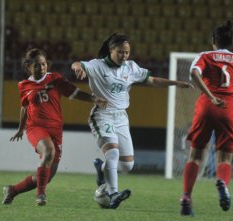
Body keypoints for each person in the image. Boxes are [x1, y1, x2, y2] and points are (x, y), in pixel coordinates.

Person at [71, 33, 192, 209]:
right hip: (102, 115)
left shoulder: (130, 68)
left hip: (121, 118)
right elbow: (77, 63)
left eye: (127, 52)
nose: (124, 56)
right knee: (112, 153)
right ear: (111, 50)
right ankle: (113, 194)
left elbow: (152, 80)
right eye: (120, 52)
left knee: (127, 165)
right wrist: (77, 68)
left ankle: (101, 169)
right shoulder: (98, 65)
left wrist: (175, 83)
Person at [2, 48, 106, 206]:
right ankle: (41, 195)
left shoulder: (54, 79)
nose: (41, 68)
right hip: (35, 127)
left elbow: (73, 92)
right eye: (37, 65)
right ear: (29, 66)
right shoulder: (23, 85)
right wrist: (21, 128)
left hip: (56, 129)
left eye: (43, 64)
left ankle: (12, 190)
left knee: (47, 176)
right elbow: (24, 107)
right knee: (48, 151)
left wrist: (94, 99)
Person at [179, 20, 233, 216]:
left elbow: (194, 73)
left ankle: (186, 196)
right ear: (232, 42)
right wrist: (232, 104)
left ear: (214, 41)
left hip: (206, 106)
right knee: (225, 158)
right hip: (229, 108)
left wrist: (211, 97)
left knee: (195, 155)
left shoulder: (205, 56)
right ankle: (222, 182)